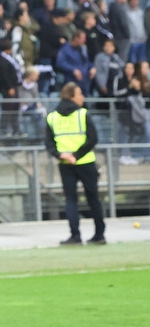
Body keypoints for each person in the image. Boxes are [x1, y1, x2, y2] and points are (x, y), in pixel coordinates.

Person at [46, 82, 106, 246]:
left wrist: (62, 155)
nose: (82, 97)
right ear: (71, 96)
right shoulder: (82, 114)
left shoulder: (52, 117)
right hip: (85, 162)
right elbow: (93, 139)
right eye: (79, 93)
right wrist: (77, 155)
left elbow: (49, 143)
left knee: (71, 200)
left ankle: (75, 235)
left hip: (65, 163)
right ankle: (99, 234)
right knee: (93, 198)